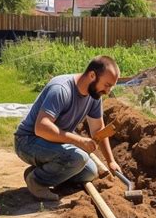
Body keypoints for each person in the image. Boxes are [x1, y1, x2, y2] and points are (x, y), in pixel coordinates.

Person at [14, 55, 121, 201]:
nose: (108, 91)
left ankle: (39, 173)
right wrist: (78, 140)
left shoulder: (94, 95)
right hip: (28, 141)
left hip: (53, 143)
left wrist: (111, 161)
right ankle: (37, 182)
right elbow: (41, 128)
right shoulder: (61, 89)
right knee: (78, 159)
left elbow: (98, 129)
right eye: (107, 85)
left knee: (89, 171)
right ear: (92, 75)